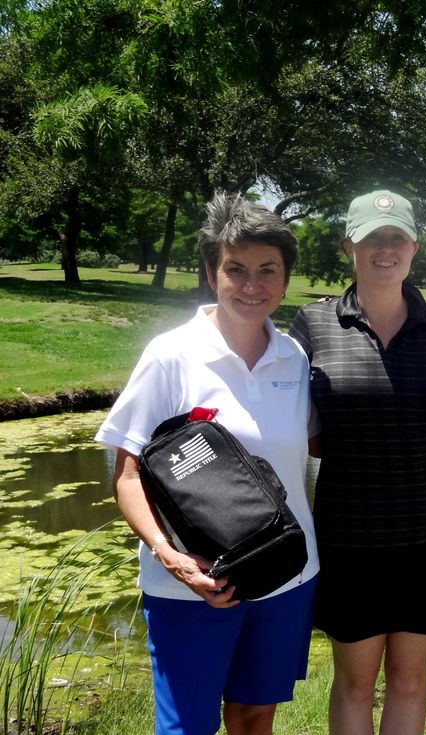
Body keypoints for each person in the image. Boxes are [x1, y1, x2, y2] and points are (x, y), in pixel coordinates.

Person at [95, 192, 319, 735]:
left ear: (286, 279)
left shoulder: (294, 356)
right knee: (187, 727)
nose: (252, 285)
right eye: (235, 269)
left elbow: (316, 447)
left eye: (268, 270)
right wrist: (170, 557)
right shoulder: (171, 355)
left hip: (287, 575)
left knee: (253, 716)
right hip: (193, 584)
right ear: (210, 273)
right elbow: (126, 475)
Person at [288, 190, 426, 735]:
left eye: (396, 238)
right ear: (350, 245)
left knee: (411, 681)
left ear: (414, 247)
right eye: (372, 238)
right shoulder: (313, 325)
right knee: (353, 684)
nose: (385, 249)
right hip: (351, 536)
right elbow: (294, 424)